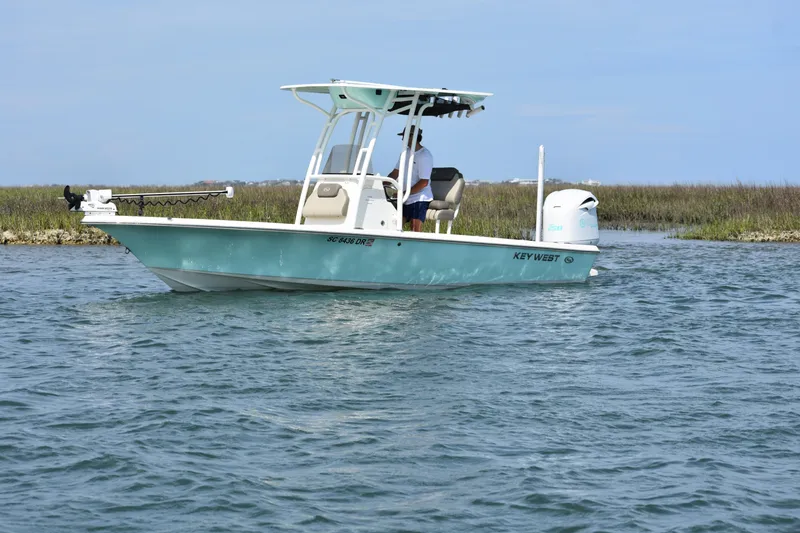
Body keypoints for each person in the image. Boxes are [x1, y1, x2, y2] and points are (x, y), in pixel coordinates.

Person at [386, 125, 434, 232]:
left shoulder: (424, 156)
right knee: (394, 226)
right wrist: (381, 183)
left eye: (405, 136)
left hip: (419, 198)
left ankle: (417, 248)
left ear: (413, 137)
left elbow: (424, 182)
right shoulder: (404, 153)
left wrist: (404, 193)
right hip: (405, 197)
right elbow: (395, 173)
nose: (403, 139)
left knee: (414, 228)